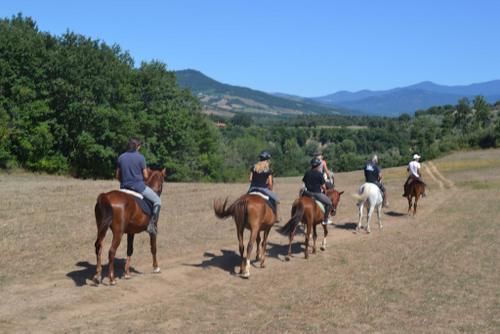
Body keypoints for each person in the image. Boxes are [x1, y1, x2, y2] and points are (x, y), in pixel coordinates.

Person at [116, 138, 161, 235]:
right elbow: (145, 176)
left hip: (123, 188)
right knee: (157, 200)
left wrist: (124, 182)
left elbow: (117, 176)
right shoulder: (141, 158)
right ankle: (152, 225)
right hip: (138, 187)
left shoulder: (121, 157)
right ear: (137, 147)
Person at [302, 157, 332, 225]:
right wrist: (325, 190)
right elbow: (324, 186)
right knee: (329, 203)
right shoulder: (319, 174)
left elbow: (304, 182)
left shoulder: (307, 173)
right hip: (316, 194)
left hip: (307, 193)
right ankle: (325, 219)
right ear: (318, 166)